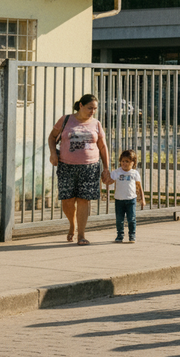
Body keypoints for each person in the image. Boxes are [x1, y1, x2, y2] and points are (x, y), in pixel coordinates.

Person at [47, 94, 110, 246]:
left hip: (90, 167)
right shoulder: (66, 120)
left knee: (83, 200)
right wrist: (53, 153)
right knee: (67, 200)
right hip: (66, 166)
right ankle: (72, 224)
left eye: (95, 109)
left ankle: (81, 235)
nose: (92, 111)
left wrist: (106, 168)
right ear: (81, 105)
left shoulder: (96, 124)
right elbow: (52, 137)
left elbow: (102, 146)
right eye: (90, 108)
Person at [103, 150, 145, 243]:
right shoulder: (116, 172)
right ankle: (120, 235)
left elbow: (139, 186)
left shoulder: (134, 173)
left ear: (133, 163)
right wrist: (105, 177)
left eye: (127, 161)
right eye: (122, 161)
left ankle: (132, 235)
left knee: (131, 219)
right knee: (119, 219)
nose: (124, 163)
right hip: (119, 199)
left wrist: (142, 198)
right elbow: (109, 181)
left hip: (131, 199)